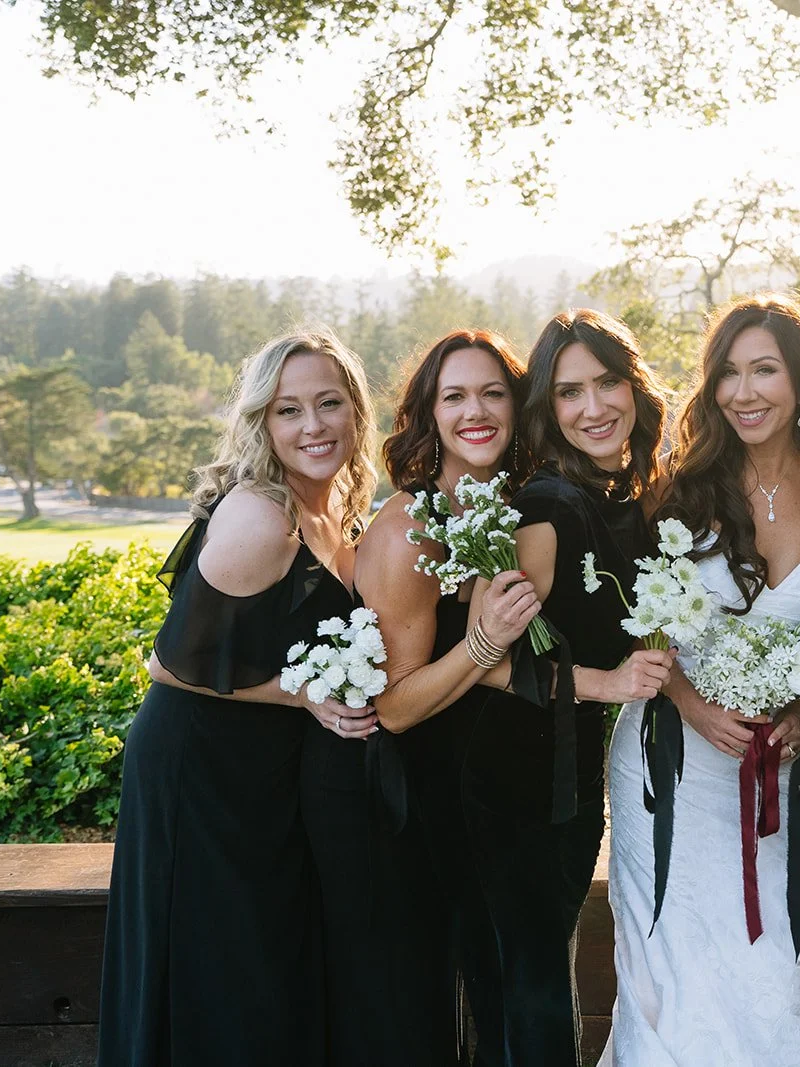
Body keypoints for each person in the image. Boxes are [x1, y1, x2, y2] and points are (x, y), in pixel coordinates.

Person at [98, 328, 379, 1065]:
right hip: (201, 773)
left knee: (263, 966)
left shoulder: (335, 513)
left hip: (266, 775)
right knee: (218, 971)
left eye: (328, 404)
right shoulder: (262, 515)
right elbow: (167, 664)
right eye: (289, 410)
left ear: (356, 412)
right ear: (264, 421)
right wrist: (306, 696)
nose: (312, 425)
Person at [602, 295, 800, 1065]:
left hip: (768, 771)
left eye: (765, 369)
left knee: (757, 955)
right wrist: (690, 702)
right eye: (728, 373)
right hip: (665, 760)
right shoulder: (683, 487)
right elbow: (642, 624)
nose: (745, 391)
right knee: (665, 963)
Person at [308, 329, 542, 1064]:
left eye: (493, 393)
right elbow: (396, 706)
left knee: (508, 993)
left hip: (491, 797)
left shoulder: (510, 508)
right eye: (455, 396)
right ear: (429, 415)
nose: (476, 411)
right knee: (433, 1008)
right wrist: (483, 642)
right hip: (413, 806)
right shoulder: (412, 526)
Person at [461, 309, 676, 1066]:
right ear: (546, 411)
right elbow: (481, 656)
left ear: (633, 387)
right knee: (537, 983)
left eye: (607, 382)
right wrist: (606, 680)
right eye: (568, 392)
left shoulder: (629, 493)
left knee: (543, 967)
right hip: (509, 774)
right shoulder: (546, 507)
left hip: (572, 767)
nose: (593, 407)